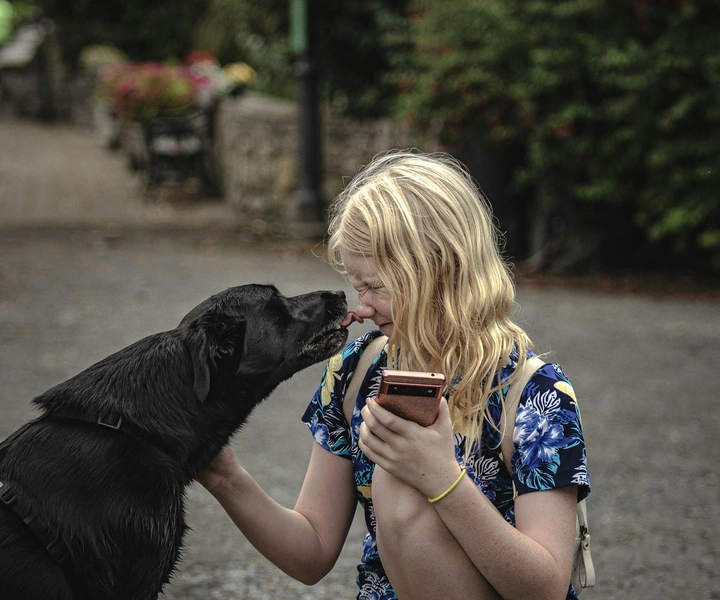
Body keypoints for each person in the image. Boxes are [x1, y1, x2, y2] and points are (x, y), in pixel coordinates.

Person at [199, 150, 591, 600]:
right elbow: (312, 551)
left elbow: (545, 587)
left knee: (401, 489)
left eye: (374, 287)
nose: (360, 308)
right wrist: (226, 478)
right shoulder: (355, 370)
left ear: (437, 268)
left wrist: (442, 479)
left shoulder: (535, 394)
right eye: (356, 286)